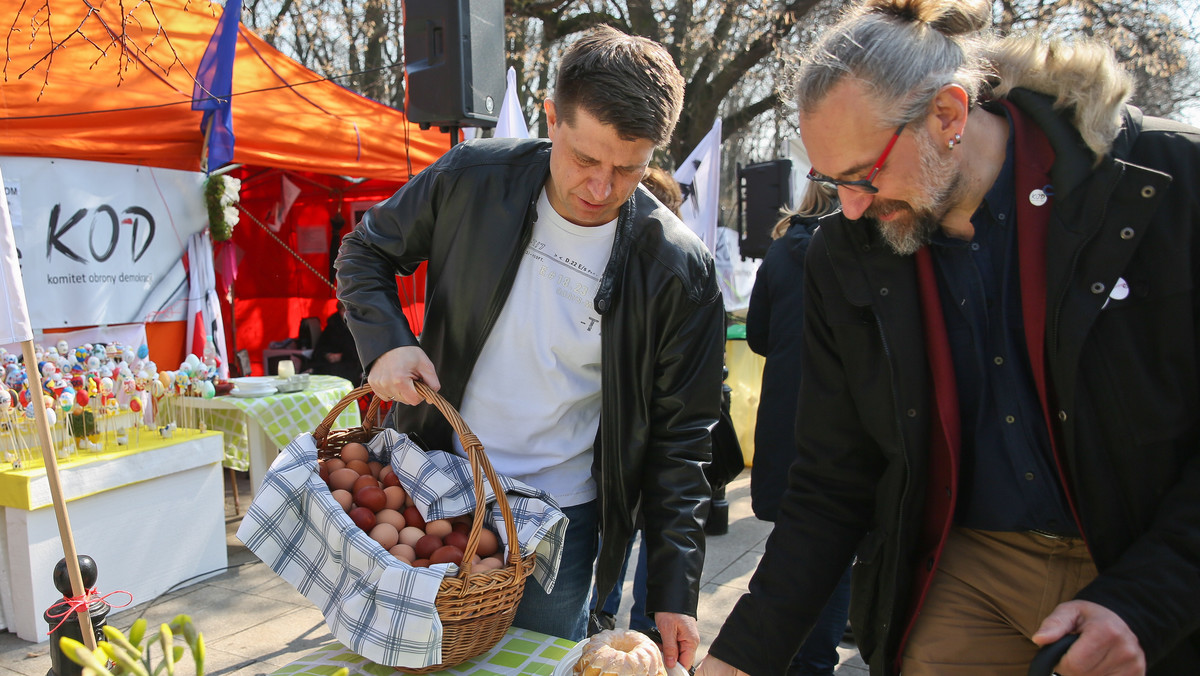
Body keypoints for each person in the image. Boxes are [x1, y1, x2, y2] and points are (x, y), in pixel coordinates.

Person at [697, 0, 1200, 674]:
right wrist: (736, 662)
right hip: (972, 563)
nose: (848, 207)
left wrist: (1145, 601)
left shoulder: (1166, 183)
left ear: (949, 115)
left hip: (1151, 547)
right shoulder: (847, 253)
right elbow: (830, 484)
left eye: (864, 174)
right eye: (831, 180)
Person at [335, 26, 725, 671]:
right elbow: (365, 250)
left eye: (627, 168)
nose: (600, 188)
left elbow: (683, 441)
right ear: (552, 116)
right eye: (583, 159)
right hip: (434, 484)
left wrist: (675, 592)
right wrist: (385, 347)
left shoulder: (679, 267)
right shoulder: (472, 178)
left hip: (562, 524)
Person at [743, 183, 852, 676]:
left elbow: (760, 336)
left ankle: (784, 655)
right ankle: (813, 660)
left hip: (789, 412)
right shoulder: (866, 248)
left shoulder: (783, 252)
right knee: (840, 542)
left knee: (796, 532)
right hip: (849, 419)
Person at [589, 165, 685, 643]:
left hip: (634, 433)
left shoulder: (676, 271)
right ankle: (634, 618)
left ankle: (614, 612)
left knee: (628, 522)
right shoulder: (613, 262)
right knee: (634, 524)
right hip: (629, 433)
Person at [309, 301, 364, 384]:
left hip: (353, 364)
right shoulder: (332, 325)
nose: (346, 314)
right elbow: (320, 347)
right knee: (313, 369)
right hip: (329, 363)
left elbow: (363, 351)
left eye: (349, 311)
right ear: (339, 311)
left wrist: (342, 356)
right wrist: (326, 355)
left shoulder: (360, 327)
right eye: (343, 310)